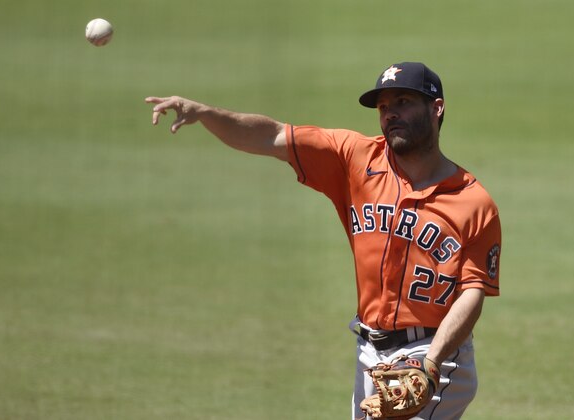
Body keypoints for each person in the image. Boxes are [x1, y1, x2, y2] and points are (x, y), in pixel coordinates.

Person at [145, 61, 501, 419]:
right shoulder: (353, 158)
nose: (391, 114)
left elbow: (472, 293)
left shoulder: (473, 202)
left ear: (436, 108)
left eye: (403, 102)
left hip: (435, 352)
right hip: (369, 353)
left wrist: (431, 362)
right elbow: (271, 136)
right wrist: (207, 114)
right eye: (383, 107)